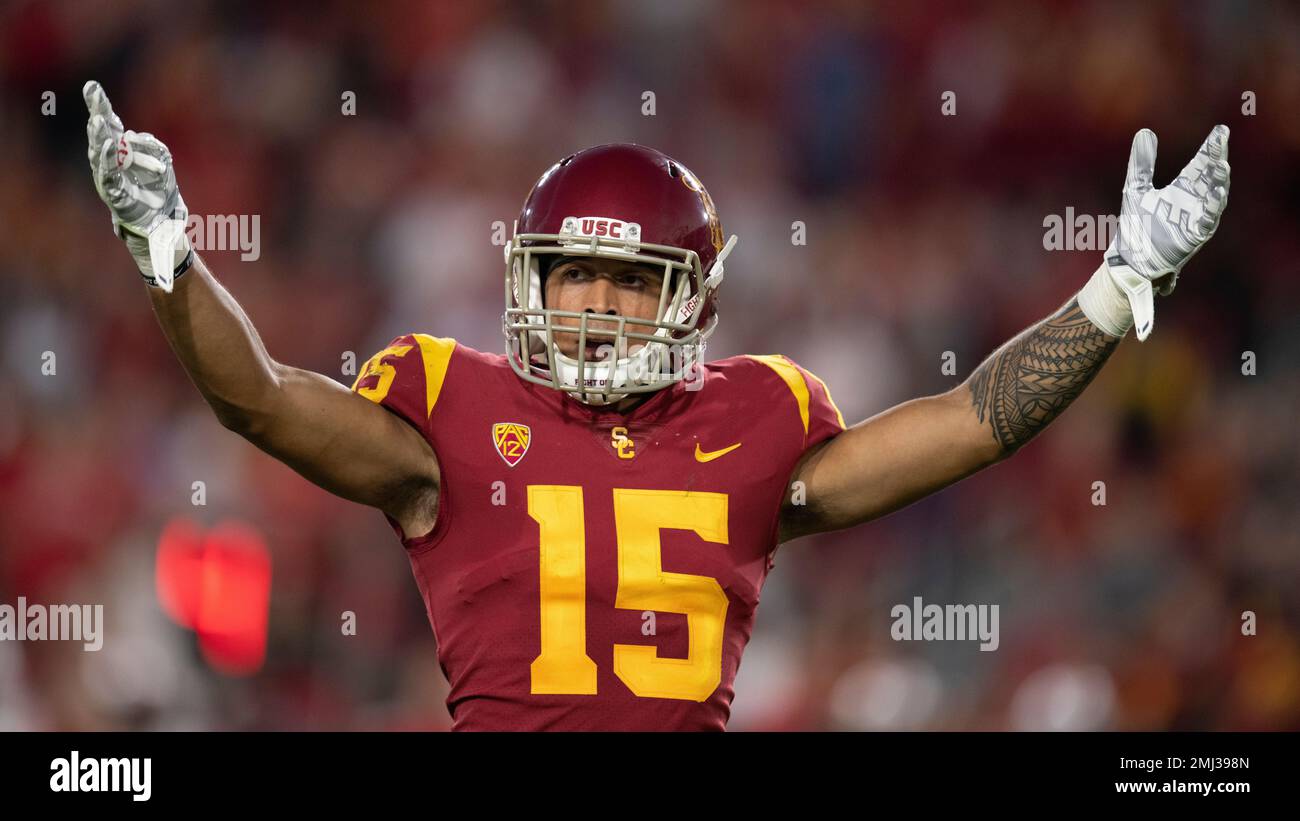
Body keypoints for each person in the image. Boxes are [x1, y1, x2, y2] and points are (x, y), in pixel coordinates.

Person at [81, 81, 1230, 730]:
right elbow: (262, 401)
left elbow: (976, 418)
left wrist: (1118, 283)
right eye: (571, 272)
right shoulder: (448, 403)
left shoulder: (761, 416)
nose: (591, 302)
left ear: (689, 296)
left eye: (629, 278)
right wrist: (170, 252)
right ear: (527, 278)